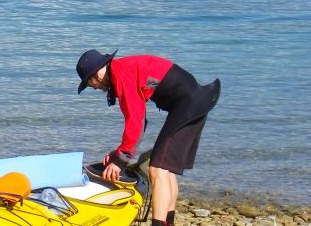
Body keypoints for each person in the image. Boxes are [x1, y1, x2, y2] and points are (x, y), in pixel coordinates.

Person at [76, 49, 220, 226]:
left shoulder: (122, 74)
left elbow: (135, 121)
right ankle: (168, 222)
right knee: (165, 169)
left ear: (96, 73)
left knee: (157, 169)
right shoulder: (124, 69)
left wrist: (120, 160)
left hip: (188, 105)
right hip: (195, 101)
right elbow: (140, 120)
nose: (95, 88)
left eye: (90, 84)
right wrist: (119, 153)